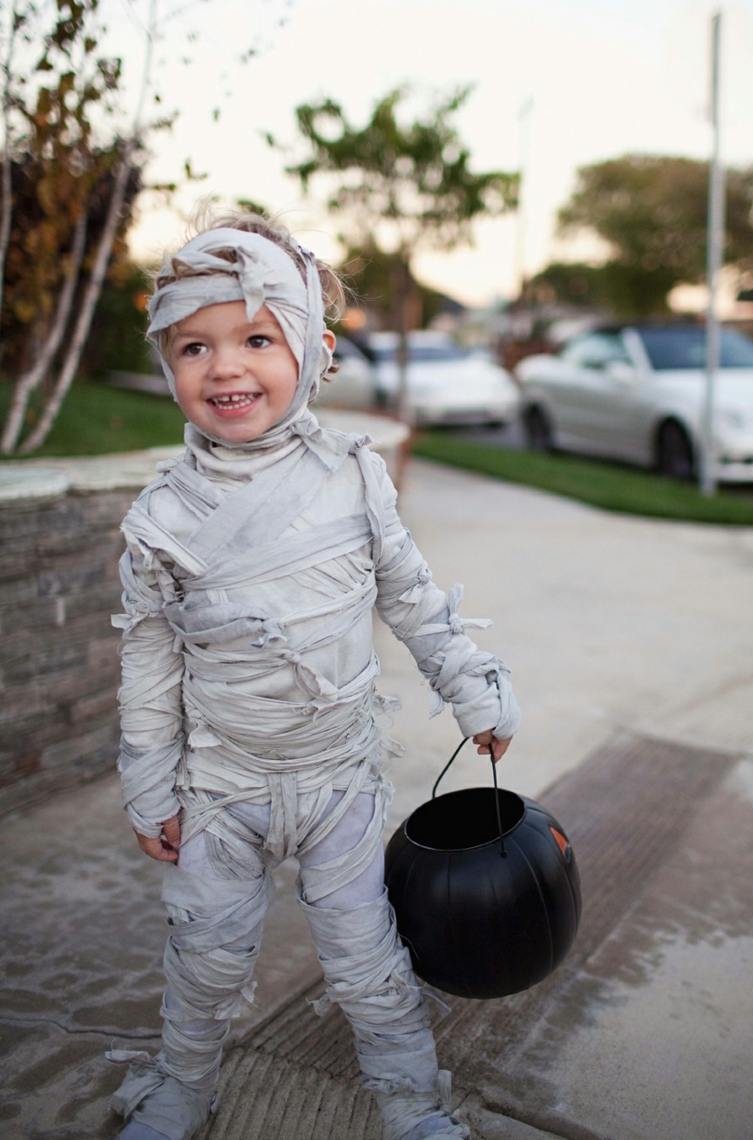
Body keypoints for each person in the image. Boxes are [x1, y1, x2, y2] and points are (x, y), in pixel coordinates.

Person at [107, 211, 520, 1140]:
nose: (225, 367)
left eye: (257, 337)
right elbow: (147, 654)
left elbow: (411, 595)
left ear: (315, 350)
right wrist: (148, 782)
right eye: (194, 346)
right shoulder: (162, 518)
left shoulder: (352, 477)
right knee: (202, 953)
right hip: (220, 782)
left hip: (339, 779)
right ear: (166, 362)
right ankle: (180, 1086)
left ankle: (412, 1104)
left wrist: (473, 686)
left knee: (366, 959)